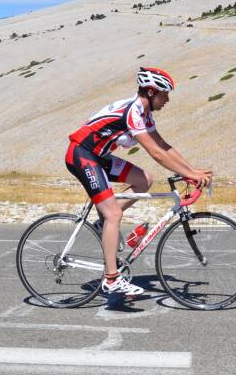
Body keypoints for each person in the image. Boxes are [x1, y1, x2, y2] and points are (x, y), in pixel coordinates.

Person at [65, 67, 213, 296]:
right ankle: (112, 279)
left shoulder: (145, 113)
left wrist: (191, 170)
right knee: (115, 213)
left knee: (145, 180)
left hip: (97, 156)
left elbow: (163, 145)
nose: (168, 100)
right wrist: (191, 175)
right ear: (152, 92)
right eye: (165, 94)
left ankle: (103, 222)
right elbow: (156, 153)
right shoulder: (133, 112)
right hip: (81, 155)